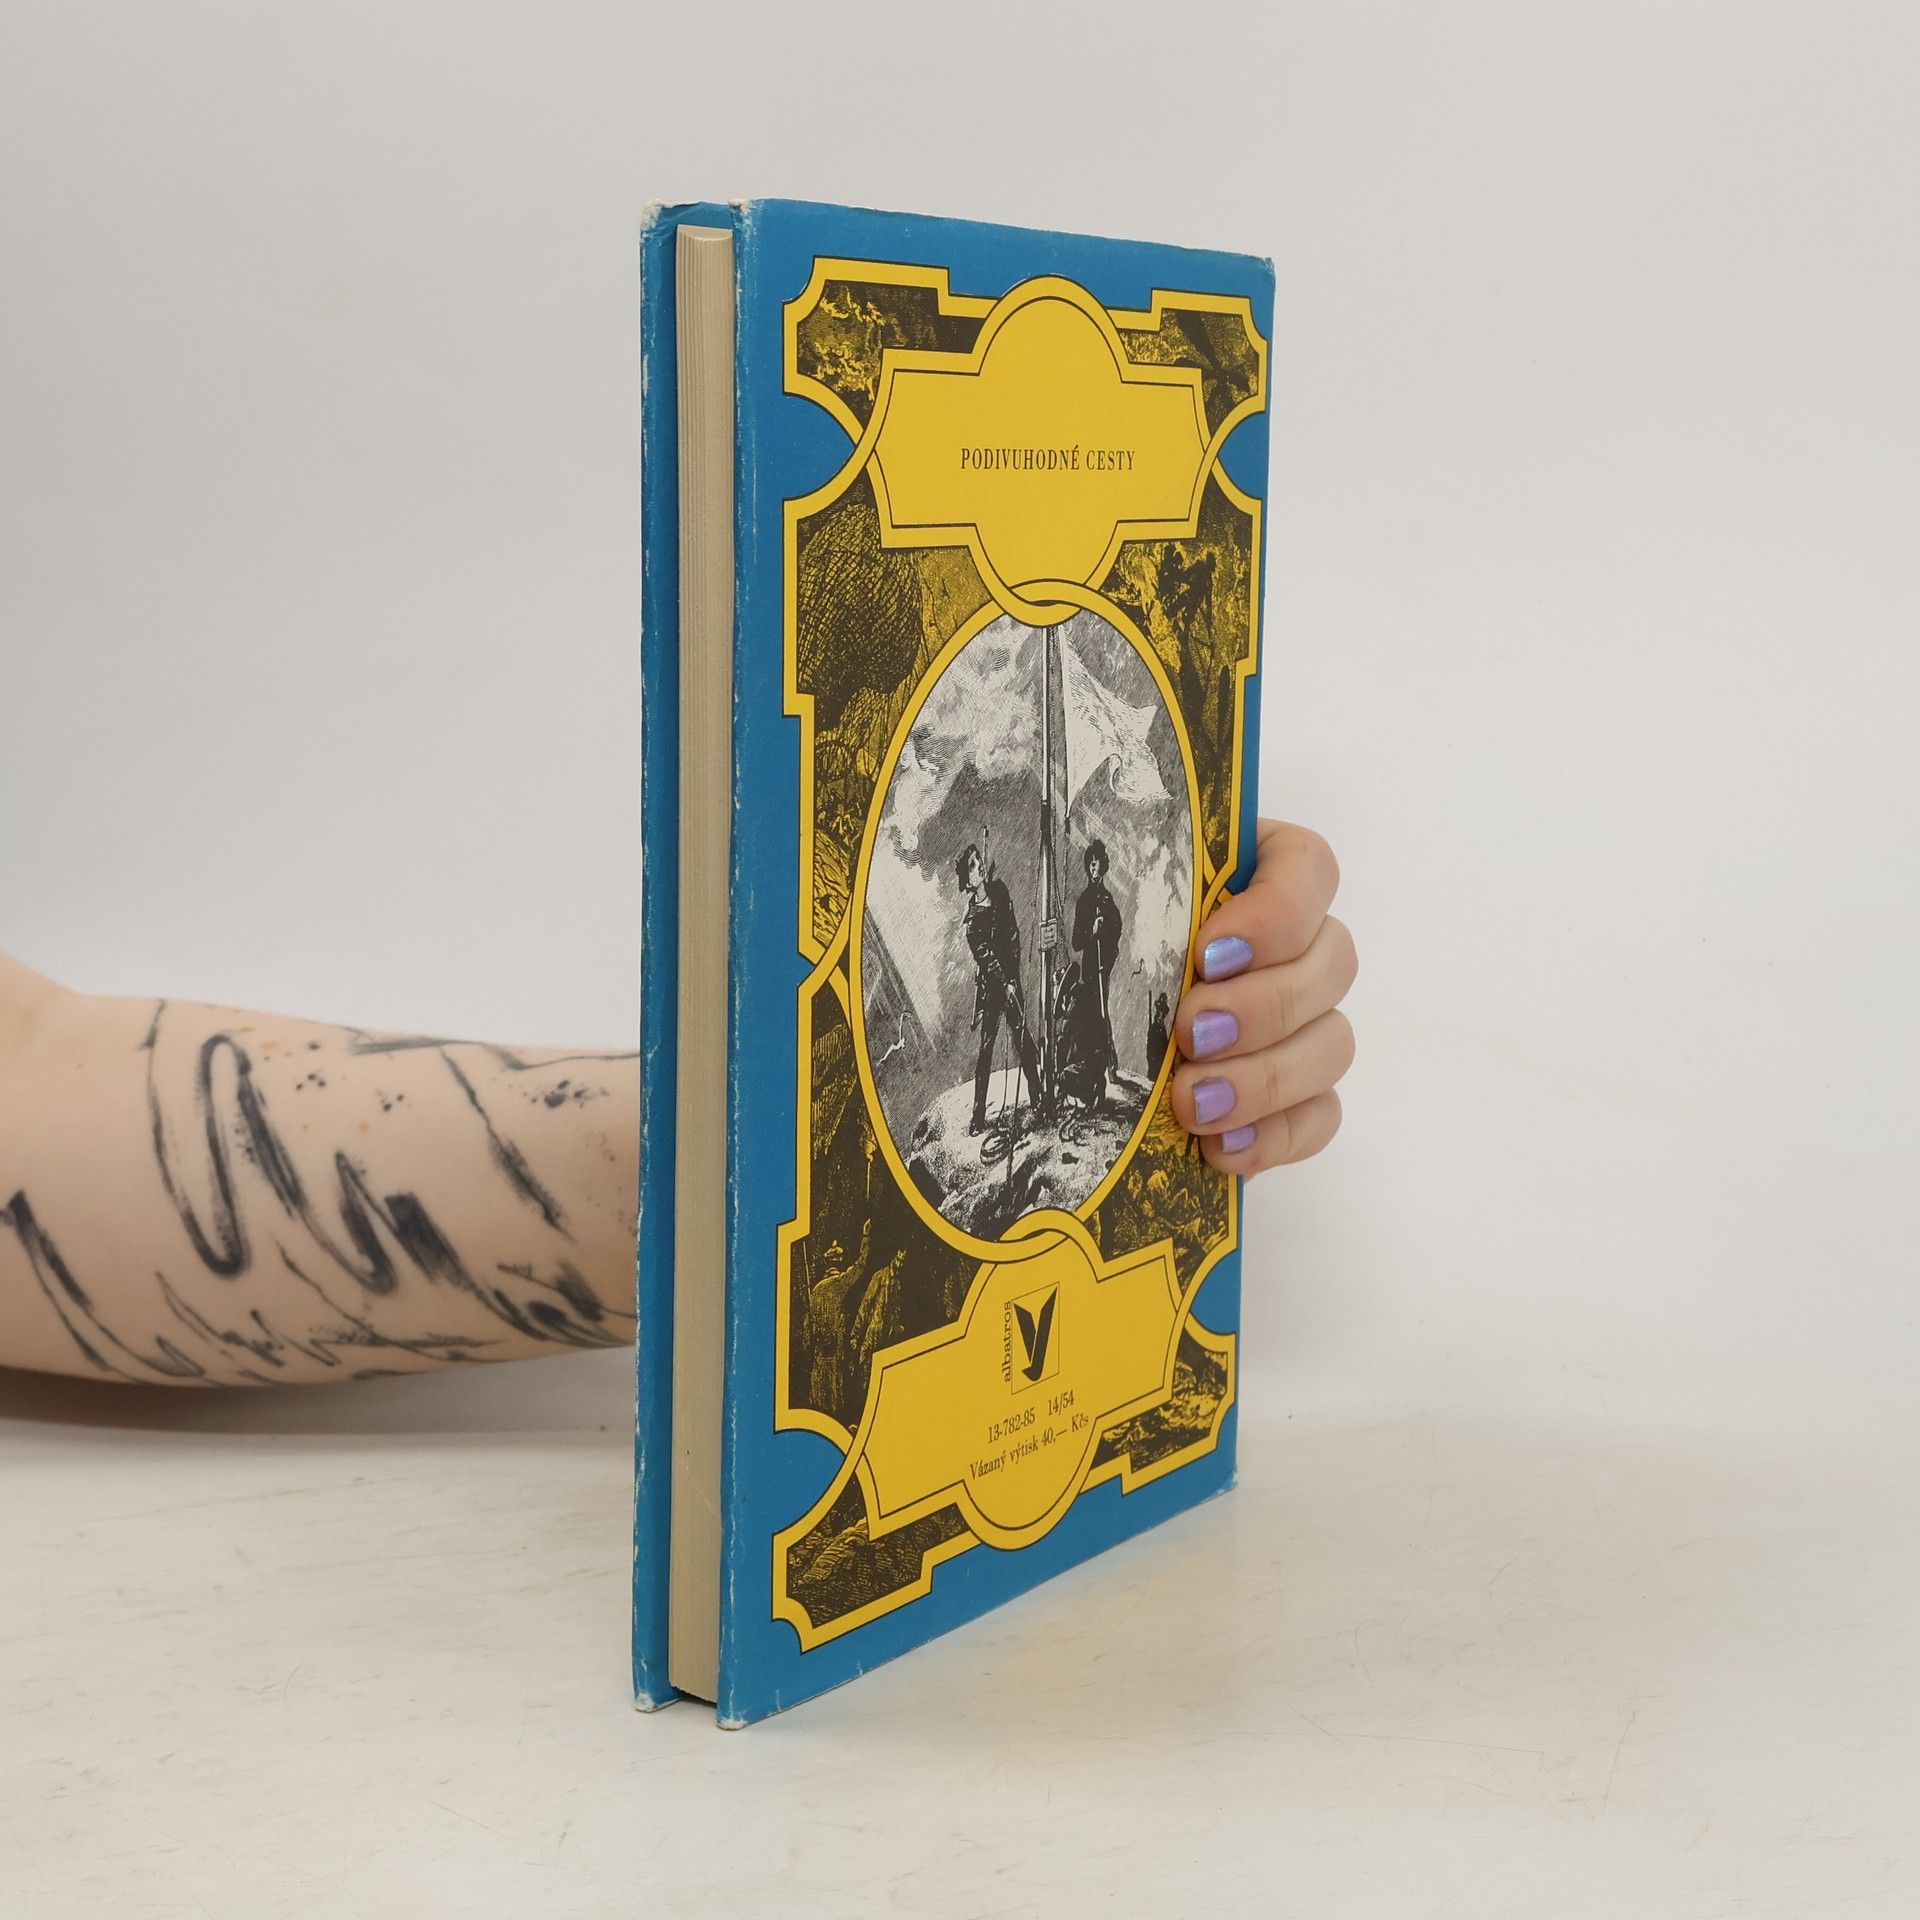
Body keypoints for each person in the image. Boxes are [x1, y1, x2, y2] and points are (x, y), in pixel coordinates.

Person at [0, 820, 1356, 1387]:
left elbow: (40, 1083)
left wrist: (775, 1168)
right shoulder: (993, 907)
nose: (961, 892)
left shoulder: (1031, 904)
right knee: (1026, 1057)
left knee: (1055, 1058)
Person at [955, 842, 1046, 1135]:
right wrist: (1003, 982)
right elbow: (987, 960)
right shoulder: (972, 925)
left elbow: (1013, 933)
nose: (979, 865)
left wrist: (1013, 977)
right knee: (986, 1048)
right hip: (992, 989)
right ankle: (978, 1116)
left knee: (1023, 1037)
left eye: (978, 860)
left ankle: (1038, 1099)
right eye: (972, 865)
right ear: (968, 881)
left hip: (1011, 980)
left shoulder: (1000, 891)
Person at [1069, 839, 1123, 1092]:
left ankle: (1109, 1066)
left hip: (1104, 965)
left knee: (1102, 1012)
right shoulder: (1085, 900)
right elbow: (1076, 941)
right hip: (1090, 967)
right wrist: (1092, 930)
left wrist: (1110, 943)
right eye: (1091, 864)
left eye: (1099, 863)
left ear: (1104, 866)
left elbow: (1117, 928)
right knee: (1093, 1015)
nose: (1095, 868)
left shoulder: (1108, 899)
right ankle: (1097, 1068)